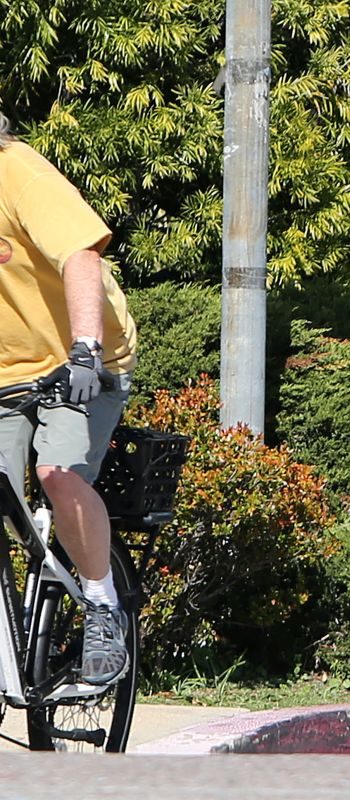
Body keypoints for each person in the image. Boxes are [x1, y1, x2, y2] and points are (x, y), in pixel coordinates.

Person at [0, 112, 137, 686]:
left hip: (77, 364)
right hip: (5, 373)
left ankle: (103, 604)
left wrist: (85, 348)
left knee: (58, 472)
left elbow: (82, 256)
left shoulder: (21, 175)